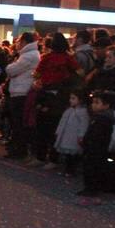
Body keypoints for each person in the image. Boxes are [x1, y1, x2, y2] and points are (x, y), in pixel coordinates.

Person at [30, 33, 75, 165]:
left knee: (41, 128)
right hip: (61, 96)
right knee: (55, 128)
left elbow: (36, 74)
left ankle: (40, 156)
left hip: (45, 94)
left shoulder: (47, 58)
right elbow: (80, 72)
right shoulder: (69, 58)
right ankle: (53, 159)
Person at [2, 32, 40, 159]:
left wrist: (10, 67)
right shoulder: (28, 54)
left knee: (18, 123)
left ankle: (19, 149)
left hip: (21, 91)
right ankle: (18, 147)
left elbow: (11, 70)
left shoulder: (28, 56)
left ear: (24, 42)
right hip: (21, 90)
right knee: (17, 122)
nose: (17, 44)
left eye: (18, 41)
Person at [78, 90, 115, 201]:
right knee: (90, 167)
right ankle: (90, 188)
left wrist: (88, 142)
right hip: (93, 147)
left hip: (96, 148)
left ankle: (91, 189)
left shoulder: (103, 119)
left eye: (97, 102)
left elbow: (97, 135)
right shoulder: (100, 117)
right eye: (93, 102)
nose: (93, 105)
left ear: (106, 105)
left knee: (93, 168)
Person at [53, 89, 89, 176]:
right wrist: (58, 131)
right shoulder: (69, 110)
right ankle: (67, 169)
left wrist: (81, 135)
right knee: (67, 155)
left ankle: (71, 170)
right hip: (66, 135)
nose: (70, 100)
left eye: (73, 98)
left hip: (74, 136)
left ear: (80, 100)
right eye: (70, 98)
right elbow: (62, 121)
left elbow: (83, 125)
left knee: (73, 155)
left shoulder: (83, 112)